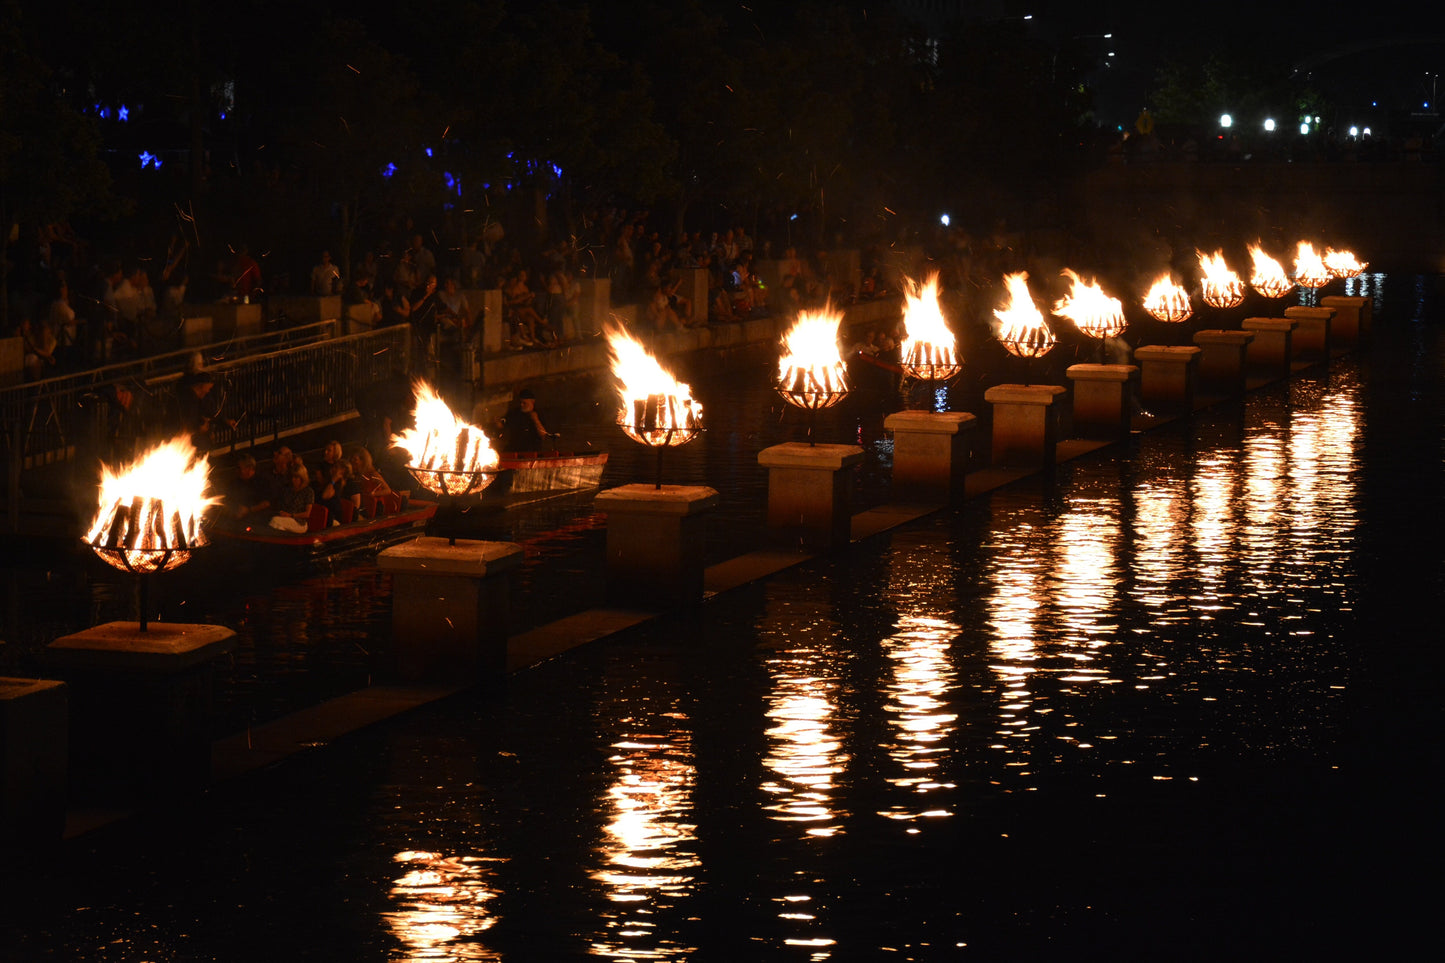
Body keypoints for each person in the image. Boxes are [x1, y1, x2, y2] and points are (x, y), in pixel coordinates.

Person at [499, 388, 551, 453]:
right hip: (514, 449)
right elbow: (503, 424)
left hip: (531, 451)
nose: (522, 405)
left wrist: (535, 420)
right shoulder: (515, 413)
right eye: (520, 402)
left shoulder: (539, 414)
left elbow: (543, 434)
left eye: (524, 403)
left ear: (532, 402)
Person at [268, 466, 316, 532]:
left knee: (275, 521)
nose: (293, 479)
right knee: (275, 523)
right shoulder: (288, 490)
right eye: (292, 477)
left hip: (299, 522)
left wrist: (291, 515)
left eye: (296, 477)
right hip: (286, 518)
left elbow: (307, 514)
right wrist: (282, 512)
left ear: (302, 478)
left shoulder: (308, 491)